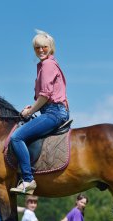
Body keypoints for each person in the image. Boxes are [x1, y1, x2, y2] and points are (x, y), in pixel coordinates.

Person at [10, 29, 69, 195]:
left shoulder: (48, 65)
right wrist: (32, 107)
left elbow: (44, 96)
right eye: (37, 48)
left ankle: (28, 180)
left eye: (44, 47)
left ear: (50, 48)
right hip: (53, 110)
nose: (40, 50)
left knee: (17, 137)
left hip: (53, 112)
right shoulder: (49, 65)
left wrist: (29, 112)